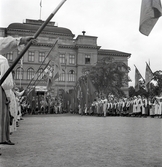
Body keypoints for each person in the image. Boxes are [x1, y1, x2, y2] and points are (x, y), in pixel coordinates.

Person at [0, 36, 36, 146]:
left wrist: (21, 40)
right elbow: (7, 84)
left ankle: (5, 137)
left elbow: (3, 42)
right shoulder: (2, 61)